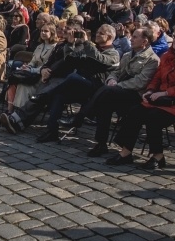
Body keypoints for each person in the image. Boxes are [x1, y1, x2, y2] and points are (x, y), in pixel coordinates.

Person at [106, 23, 175, 171]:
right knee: (135, 111)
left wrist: (166, 93)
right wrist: (151, 90)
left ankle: (157, 156)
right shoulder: (167, 56)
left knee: (153, 117)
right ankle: (125, 152)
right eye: (174, 37)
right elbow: (157, 77)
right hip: (162, 100)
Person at [0, 24, 120, 141]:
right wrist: (71, 44)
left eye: (101, 33)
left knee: (71, 77)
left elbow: (101, 59)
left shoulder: (113, 53)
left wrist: (87, 43)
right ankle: (45, 130)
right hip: (78, 87)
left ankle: (41, 97)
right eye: (97, 32)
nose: (97, 34)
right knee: (59, 96)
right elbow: (70, 58)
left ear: (109, 37)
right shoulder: (91, 48)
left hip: (94, 89)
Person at [66, 27, 160, 156]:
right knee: (104, 103)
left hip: (136, 96)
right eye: (132, 36)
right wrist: (111, 79)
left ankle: (80, 117)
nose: (131, 39)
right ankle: (101, 143)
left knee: (106, 92)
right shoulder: (127, 55)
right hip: (118, 92)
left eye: (135, 37)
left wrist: (118, 85)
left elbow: (140, 82)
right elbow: (116, 72)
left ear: (145, 41)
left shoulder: (152, 60)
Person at [5, 24, 58, 113]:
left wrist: (32, 70)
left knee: (23, 86)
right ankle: (11, 110)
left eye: (46, 31)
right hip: (32, 74)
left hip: (42, 77)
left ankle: (19, 112)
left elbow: (47, 65)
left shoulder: (55, 48)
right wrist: (28, 66)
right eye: (42, 31)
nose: (43, 33)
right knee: (14, 81)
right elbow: (33, 61)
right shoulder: (40, 46)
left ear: (52, 33)